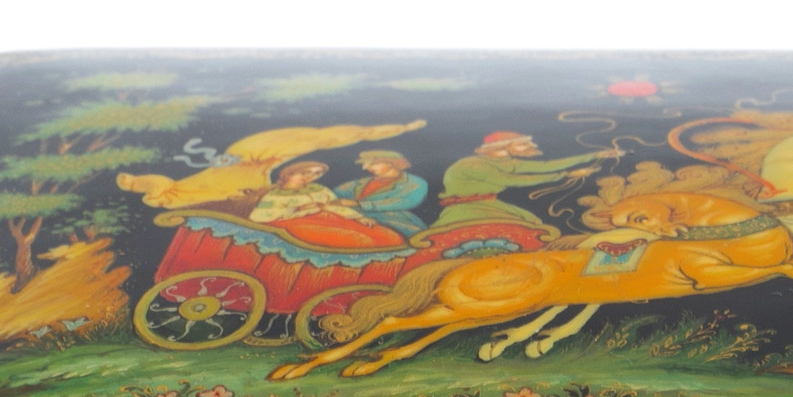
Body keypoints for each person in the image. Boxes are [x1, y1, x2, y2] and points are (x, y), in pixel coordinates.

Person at [413, 131, 619, 245]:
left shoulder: (506, 161)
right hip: (467, 207)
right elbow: (513, 180)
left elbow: (545, 165)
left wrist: (593, 155)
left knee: (533, 223)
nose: (529, 148)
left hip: (490, 203)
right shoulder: (473, 164)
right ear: (503, 147)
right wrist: (564, 175)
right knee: (522, 227)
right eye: (522, 145)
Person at [246, 161, 406, 252]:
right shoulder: (275, 195)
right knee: (358, 240)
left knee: (386, 236)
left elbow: (333, 206)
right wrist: (299, 209)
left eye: (316, 174)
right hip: (294, 226)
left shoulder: (319, 189)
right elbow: (259, 218)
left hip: (328, 219)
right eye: (305, 172)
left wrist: (358, 217)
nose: (310, 177)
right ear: (288, 173)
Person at [334, 150, 429, 237]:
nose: (366, 168)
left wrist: (358, 204)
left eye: (373, 163)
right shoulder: (358, 183)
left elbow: (406, 201)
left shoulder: (415, 182)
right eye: (365, 164)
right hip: (352, 216)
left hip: (392, 220)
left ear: (392, 163)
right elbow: (335, 195)